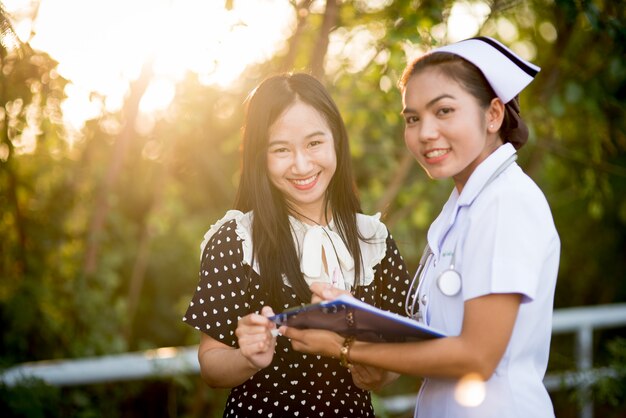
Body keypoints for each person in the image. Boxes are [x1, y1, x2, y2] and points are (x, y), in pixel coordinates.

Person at [281, 36, 561, 418]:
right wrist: (356, 323)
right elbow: (439, 338)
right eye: (413, 118)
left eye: (443, 111)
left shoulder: (506, 202)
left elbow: (477, 356)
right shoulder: (464, 208)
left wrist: (344, 349)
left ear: (493, 115)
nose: (425, 132)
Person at [182, 72, 411, 417]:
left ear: (336, 140)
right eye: (281, 150)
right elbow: (211, 364)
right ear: (260, 156)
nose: (302, 164)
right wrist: (247, 358)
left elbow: (400, 357)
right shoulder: (236, 240)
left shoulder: (373, 240)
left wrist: (375, 369)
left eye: (314, 143)